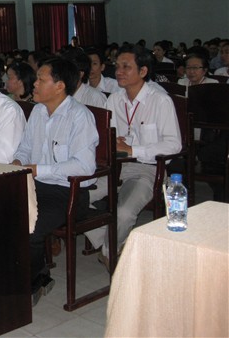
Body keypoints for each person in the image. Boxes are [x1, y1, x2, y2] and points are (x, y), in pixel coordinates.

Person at [85, 45, 181, 269]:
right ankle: (110, 241)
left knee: (124, 212)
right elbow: (107, 136)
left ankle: (108, 252)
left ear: (143, 71)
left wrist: (133, 150)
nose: (119, 71)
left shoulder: (160, 101)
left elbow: (174, 144)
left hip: (147, 169)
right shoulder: (114, 99)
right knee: (73, 198)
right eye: (117, 66)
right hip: (114, 167)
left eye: (126, 67)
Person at [12, 57, 98, 305]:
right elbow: (25, 148)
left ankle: (33, 281)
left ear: (60, 86)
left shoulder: (80, 116)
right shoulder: (38, 111)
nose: (34, 84)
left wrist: (39, 169)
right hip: (36, 185)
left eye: (41, 79)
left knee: (29, 224)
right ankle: (27, 274)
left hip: (68, 193)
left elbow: (85, 166)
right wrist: (18, 162)